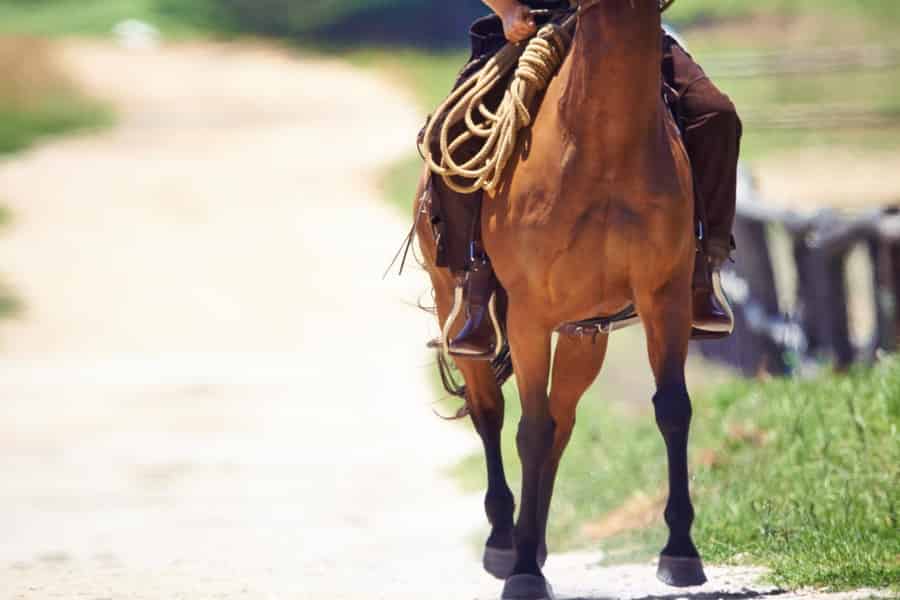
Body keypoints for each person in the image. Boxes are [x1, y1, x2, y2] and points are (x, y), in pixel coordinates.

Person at [429, 0, 742, 358]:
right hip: (533, 24)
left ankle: (702, 270)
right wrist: (507, 10)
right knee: (450, 135)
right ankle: (477, 286)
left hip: (632, 27)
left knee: (716, 116)